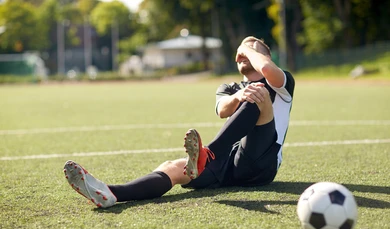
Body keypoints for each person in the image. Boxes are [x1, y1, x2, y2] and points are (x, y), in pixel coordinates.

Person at [62, 36, 295, 208]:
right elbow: (223, 111)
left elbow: (264, 67)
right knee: (173, 167)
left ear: (266, 55)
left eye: (252, 50)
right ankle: (110, 193)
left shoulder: (281, 83)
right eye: (241, 51)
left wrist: (247, 47)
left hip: (262, 163)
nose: (244, 53)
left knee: (258, 93)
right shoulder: (228, 88)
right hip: (228, 164)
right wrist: (238, 95)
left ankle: (208, 154)